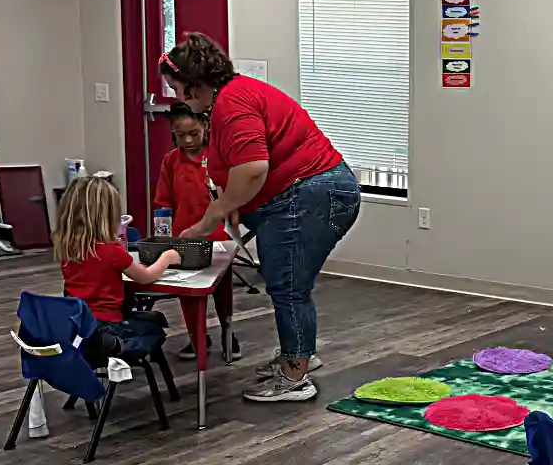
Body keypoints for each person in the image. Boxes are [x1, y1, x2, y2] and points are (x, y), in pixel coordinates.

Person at [160, 33, 360, 404]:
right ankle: (296, 355)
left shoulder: (232, 103)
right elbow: (244, 169)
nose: (177, 97)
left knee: (288, 287)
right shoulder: (235, 95)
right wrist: (233, 202)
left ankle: (295, 377)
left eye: (177, 88)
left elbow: (252, 167)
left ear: (192, 84)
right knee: (288, 284)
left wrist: (214, 215)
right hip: (313, 193)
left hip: (309, 195)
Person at [153, 103, 241, 362]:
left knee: (222, 290)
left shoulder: (219, 159)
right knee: (188, 292)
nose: (188, 140)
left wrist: (233, 233)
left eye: (194, 133)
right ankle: (197, 338)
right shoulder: (171, 161)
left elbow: (234, 199)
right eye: (181, 135)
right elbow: (163, 203)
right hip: (184, 240)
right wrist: (164, 235)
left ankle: (228, 333)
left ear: (205, 127)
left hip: (218, 239)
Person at [56, 176, 181, 355]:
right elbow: (145, 277)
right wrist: (167, 258)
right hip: (107, 326)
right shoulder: (111, 250)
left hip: (78, 324)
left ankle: (99, 348)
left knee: (152, 319)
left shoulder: (68, 246)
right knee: (155, 331)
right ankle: (115, 348)